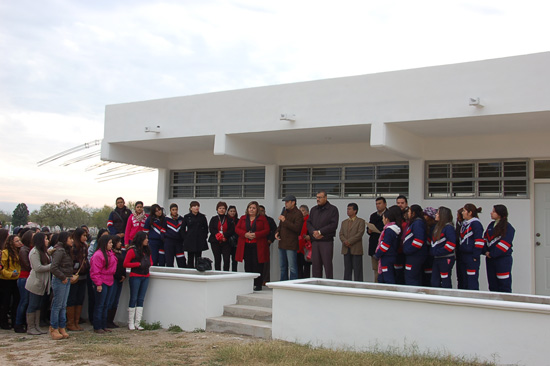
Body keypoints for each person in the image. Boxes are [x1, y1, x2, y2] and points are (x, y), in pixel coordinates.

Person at [235, 201, 270, 291]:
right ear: (247, 209)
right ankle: (249, 283)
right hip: (246, 244)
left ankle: (258, 284)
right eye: (250, 208)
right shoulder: (243, 218)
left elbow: (267, 230)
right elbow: (237, 229)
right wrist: (245, 234)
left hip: (258, 245)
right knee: (248, 264)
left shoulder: (262, 219)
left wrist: (256, 234)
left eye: (254, 208)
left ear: (257, 210)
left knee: (258, 264)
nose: (251, 209)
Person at [306, 190, 339, 279]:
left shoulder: (333, 209)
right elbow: (308, 223)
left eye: (320, 197)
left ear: (325, 198)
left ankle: (329, 286)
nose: (318, 199)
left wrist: (320, 232)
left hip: (326, 241)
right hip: (315, 241)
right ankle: (316, 286)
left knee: (327, 265)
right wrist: (314, 232)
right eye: (317, 197)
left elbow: (333, 225)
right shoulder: (313, 210)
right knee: (316, 266)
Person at [123, 231, 152, 330]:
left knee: (141, 299)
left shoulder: (147, 250)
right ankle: (130, 322)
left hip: (145, 275)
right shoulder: (132, 250)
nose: (147, 240)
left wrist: (147, 263)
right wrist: (137, 264)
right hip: (135, 275)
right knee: (133, 298)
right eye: (145, 238)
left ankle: (138, 322)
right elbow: (125, 263)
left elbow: (151, 261)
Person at [484, 204, 515, 293]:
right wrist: (485, 251)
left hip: (502, 260)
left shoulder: (508, 227)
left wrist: (492, 254)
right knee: (492, 284)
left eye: (494, 211)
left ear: (500, 213)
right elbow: (484, 239)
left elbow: (505, 244)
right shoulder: (490, 225)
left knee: (504, 284)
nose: (491, 213)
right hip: (490, 260)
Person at [90, 235, 117, 334]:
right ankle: (97, 326)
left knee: (106, 304)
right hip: (102, 281)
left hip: (110, 280)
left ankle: (103, 324)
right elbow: (95, 271)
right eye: (110, 243)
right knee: (100, 304)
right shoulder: (98, 255)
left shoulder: (110, 253)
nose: (111, 244)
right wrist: (98, 283)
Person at [25, 232, 51, 335]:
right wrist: (51, 266)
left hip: (43, 283)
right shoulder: (34, 252)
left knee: (38, 305)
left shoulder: (43, 252)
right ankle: (30, 327)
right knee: (33, 304)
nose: (47, 241)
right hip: (35, 282)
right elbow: (38, 267)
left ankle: (37, 326)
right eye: (45, 239)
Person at [50, 232, 74, 340]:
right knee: (57, 305)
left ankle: (62, 326)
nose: (72, 240)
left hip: (67, 279)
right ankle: (54, 327)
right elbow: (53, 267)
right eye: (70, 238)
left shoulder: (66, 250)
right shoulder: (59, 251)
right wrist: (63, 277)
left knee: (63, 305)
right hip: (60, 280)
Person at [275, 195, 304, 281]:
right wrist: (277, 232)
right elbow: (280, 225)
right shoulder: (285, 211)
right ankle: (283, 283)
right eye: (285, 202)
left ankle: (292, 284)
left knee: (292, 267)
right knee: (283, 267)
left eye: (287, 202)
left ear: (293, 202)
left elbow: (297, 229)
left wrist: (285, 220)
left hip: (291, 244)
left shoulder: (298, 213)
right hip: (282, 243)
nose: (286, 204)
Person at [66, 228, 89, 332]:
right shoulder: (73, 247)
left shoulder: (85, 246)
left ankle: (76, 321)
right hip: (74, 276)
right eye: (83, 235)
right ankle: (70, 323)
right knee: (72, 299)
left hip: (83, 275)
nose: (85, 237)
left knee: (80, 299)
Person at [458, 204, 484, 291]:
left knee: (471, 280)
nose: (462, 213)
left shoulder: (476, 224)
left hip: (471, 257)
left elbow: (479, 241)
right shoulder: (464, 224)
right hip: (463, 255)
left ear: (470, 212)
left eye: (464, 211)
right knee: (464, 280)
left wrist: (475, 256)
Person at [339, 203, 366, 282]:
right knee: (347, 270)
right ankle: (346, 286)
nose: (348, 211)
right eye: (347, 209)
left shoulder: (361, 221)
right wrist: (345, 241)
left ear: (355, 211)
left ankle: (359, 287)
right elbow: (341, 234)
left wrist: (349, 241)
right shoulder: (344, 222)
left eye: (350, 209)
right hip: (346, 248)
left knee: (357, 270)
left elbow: (360, 234)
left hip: (356, 249)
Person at [430, 206, 456, 288]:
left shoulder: (449, 228)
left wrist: (437, 252)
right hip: (437, 258)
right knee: (434, 281)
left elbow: (451, 245)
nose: (436, 215)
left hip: (446, 258)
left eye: (438, 213)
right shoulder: (437, 227)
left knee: (445, 279)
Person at [0, 235, 22, 330]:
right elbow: (1, 267)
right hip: (6, 280)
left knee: (16, 301)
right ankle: (3, 322)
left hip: (16, 279)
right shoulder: (5, 253)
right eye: (16, 241)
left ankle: (14, 321)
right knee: (5, 302)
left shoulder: (19, 252)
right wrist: (9, 274)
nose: (19, 242)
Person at [373, 209, 401, 284]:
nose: (382, 220)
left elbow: (385, 245)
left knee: (388, 278)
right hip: (389, 256)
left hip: (387, 257)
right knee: (382, 277)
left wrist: (377, 254)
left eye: (383, 218)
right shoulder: (392, 230)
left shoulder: (389, 230)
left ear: (387, 219)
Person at [403, 204, 428, 286]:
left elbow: (418, 241)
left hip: (415, 256)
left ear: (413, 213)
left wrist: (407, 250)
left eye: (409, 212)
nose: (408, 214)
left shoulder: (418, 223)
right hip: (413, 256)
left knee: (411, 278)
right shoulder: (414, 223)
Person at [14, 230, 34, 333]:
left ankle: (26, 322)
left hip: (30, 277)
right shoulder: (24, 250)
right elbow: (27, 265)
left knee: (28, 301)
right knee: (24, 301)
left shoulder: (30, 249)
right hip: (24, 277)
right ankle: (18, 323)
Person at [209, 202, 235, 271]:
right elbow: (211, 229)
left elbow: (232, 230)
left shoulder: (229, 219)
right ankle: (217, 274)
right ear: (217, 209)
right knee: (217, 259)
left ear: (226, 210)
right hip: (215, 241)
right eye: (220, 208)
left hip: (226, 241)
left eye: (223, 208)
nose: (221, 210)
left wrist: (224, 235)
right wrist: (219, 235)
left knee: (226, 259)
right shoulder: (214, 218)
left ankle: (226, 274)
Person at [183, 201, 209, 269]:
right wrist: (185, 238)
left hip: (199, 240)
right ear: (191, 208)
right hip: (190, 240)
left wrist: (204, 237)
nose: (196, 207)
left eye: (197, 206)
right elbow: (182, 229)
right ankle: (190, 272)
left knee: (198, 258)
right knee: (190, 258)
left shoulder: (202, 217)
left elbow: (206, 228)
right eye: (194, 206)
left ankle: (198, 271)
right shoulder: (187, 217)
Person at [106, 235, 125, 328]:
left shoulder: (120, 253)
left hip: (120, 279)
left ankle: (111, 320)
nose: (120, 243)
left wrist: (124, 275)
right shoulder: (110, 253)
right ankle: (106, 320)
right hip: (113, 278)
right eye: (118, 241)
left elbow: (123, 265)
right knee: (110, 299)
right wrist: (118, 275)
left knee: (115, 300)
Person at [367, 197, 386, 283]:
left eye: (380, 203)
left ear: (385, 204)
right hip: (374, 244)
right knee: (375, 269)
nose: (378, 205)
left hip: (384, 245)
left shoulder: (388, 215)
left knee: (384, 269)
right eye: (376, 204)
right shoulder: (373, 215)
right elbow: (369, 227)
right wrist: (369, 230)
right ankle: (376, 284)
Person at [259, 205, 277, 284]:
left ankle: (265, 279)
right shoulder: (255, 220)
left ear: (264, 211)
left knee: (265, 262)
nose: (261, 212)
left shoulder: (269, 220)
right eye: (259, 210)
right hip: (256, 244)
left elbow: (275, 231)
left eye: (262, 210)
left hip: (266, 244)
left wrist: (270, 240)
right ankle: (257, 279)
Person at [165, 203, 186, 268]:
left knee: (181, 259)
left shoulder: (181, 219)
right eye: (173, 210)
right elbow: (163, 231)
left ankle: (183, 275)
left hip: (179, 242)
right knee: (169, 260)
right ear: (170, 210)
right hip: (169, 242)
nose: (175, 211)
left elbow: (183, 230)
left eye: (176, 210)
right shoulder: (166, 219)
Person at [422, 207, 437, 287]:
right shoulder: (427, 226)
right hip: (427, 254)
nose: (424, 217)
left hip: (431, 255)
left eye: (425, 215)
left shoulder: (433, 227)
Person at [297, 205, 312, 279]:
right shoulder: (298, 220)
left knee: (306, 266)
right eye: (299, 210)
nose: (301, 212)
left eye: (302, 210)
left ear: (307, 212)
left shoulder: (310, 221)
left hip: (306, 246)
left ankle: (306, 281)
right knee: (298, 265)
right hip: (298, 246)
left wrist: (308, 237)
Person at [227, 206, 239, 272]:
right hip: (227, 241)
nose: (232, 213)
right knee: (227, 259)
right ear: (228, 212)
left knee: (235, 260)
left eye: (234, 211)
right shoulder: (225, 220)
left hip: (235, 242)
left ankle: (234, 272)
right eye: (231, 211)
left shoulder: (238, 220)